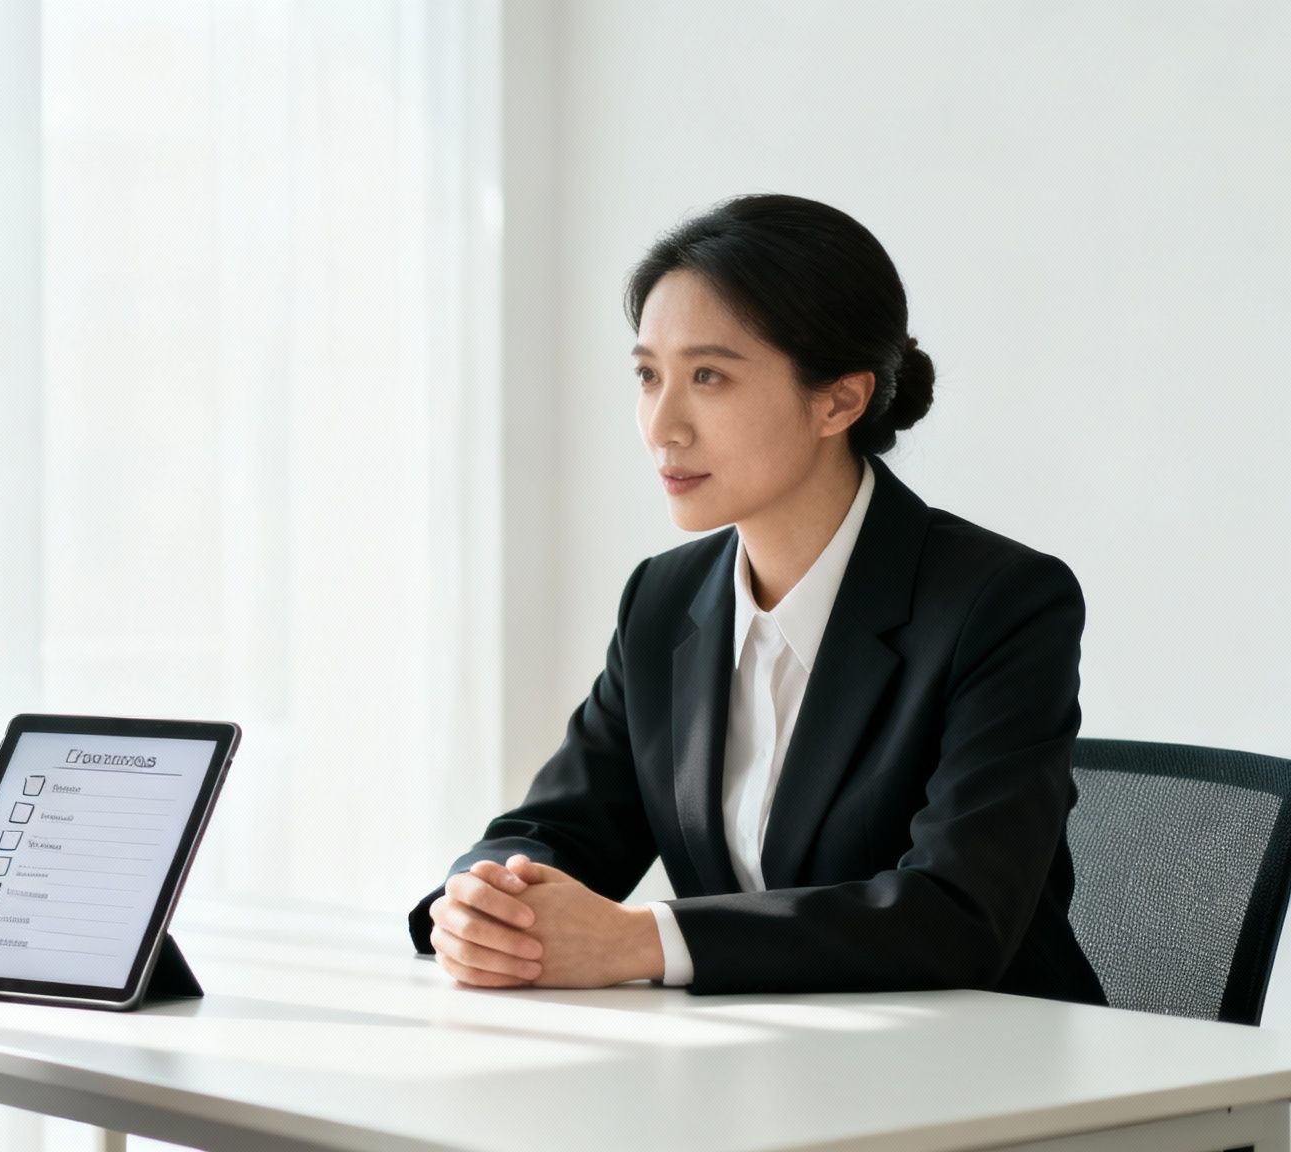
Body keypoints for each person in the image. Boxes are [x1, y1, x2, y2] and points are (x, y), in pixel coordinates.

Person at [411, 194, 1105, 1005]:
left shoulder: (1000, 603)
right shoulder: (664, 600)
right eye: (647, 375)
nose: (661, 426)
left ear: (839, 400)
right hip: (762, 1073)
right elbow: (558, 831)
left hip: (993, 1084)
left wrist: (643, 938)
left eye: (708, 376)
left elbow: (955, 915)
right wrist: (485, 903)